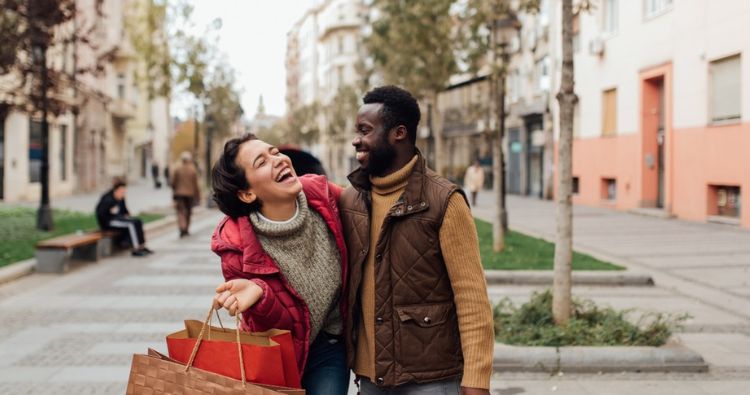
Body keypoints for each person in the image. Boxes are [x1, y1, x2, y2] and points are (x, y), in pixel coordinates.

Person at [339, 86, 494, 395]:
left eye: (365, 130)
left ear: (399, 133)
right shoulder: (351, 200)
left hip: (431, 380)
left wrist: (477, 380)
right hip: (371, 380)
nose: (357, 139)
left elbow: (471, 297)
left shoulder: (443, 201)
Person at [209, 134, 349, 395]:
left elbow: (369, 205)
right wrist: (261, 295)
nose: (278, 160)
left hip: (328, 344)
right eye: (261, 162)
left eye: (274, 152)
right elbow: (279, 329)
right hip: (277, 353)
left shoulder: (323, 196)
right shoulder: (236, 247)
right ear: (247, 193)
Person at [95, 177, 153, 257]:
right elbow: (100, 213)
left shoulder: (121, 198)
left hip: (119, 219)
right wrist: (105, 226)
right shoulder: (107, 199)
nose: (123, 194)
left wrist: (127, 216)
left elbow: (124, 210)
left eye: (124, 192)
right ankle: (135, 248)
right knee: (131, 225)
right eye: (122, 192)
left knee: (138, 221)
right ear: (116, 190)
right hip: (109, 222)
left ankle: (141, 246)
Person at [170, 151, 201, 237]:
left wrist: (174, 189)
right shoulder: (192, 169)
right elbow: (196, 184)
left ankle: (182, 227)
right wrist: (198, 195)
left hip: (179, 194)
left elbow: (173, 182)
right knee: (188, 212)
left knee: (181, 211)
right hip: (190, 194)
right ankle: (186, 228)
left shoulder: (177, 168)